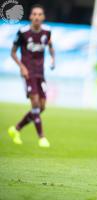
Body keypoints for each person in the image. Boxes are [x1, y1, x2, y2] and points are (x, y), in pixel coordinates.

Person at [8, 4, 55, 148]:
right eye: (34, 14)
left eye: (40, 14)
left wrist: (53, 59)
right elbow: (13, 52)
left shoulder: (47, 32)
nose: (37, 17)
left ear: (43, 17)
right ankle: (41, 137)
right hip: (28, 73)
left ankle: (16, 129)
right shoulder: (22, 32)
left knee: (41, 107)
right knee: (34, 103)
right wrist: (22, 67)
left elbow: (51, 46)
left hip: (40, 73)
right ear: (30, 17)